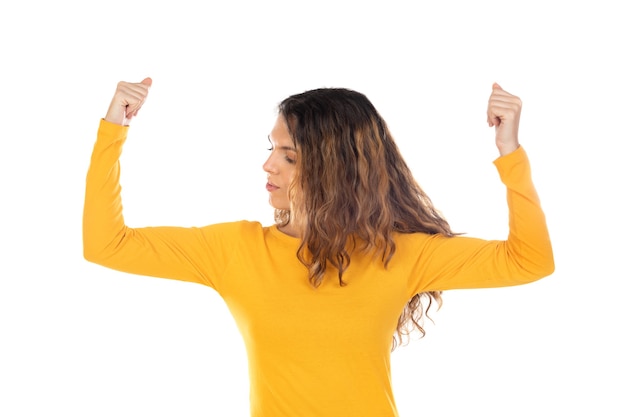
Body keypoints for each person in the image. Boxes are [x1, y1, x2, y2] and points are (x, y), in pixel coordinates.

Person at [83, 77, 554, 417]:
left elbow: (528, 261)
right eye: (270, 148)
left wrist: (509, 151)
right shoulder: (235, 250)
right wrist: (112, 131)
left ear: (335, 168)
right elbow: (108, 245)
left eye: (288, 156)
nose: (268, 165)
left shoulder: (399, 254)